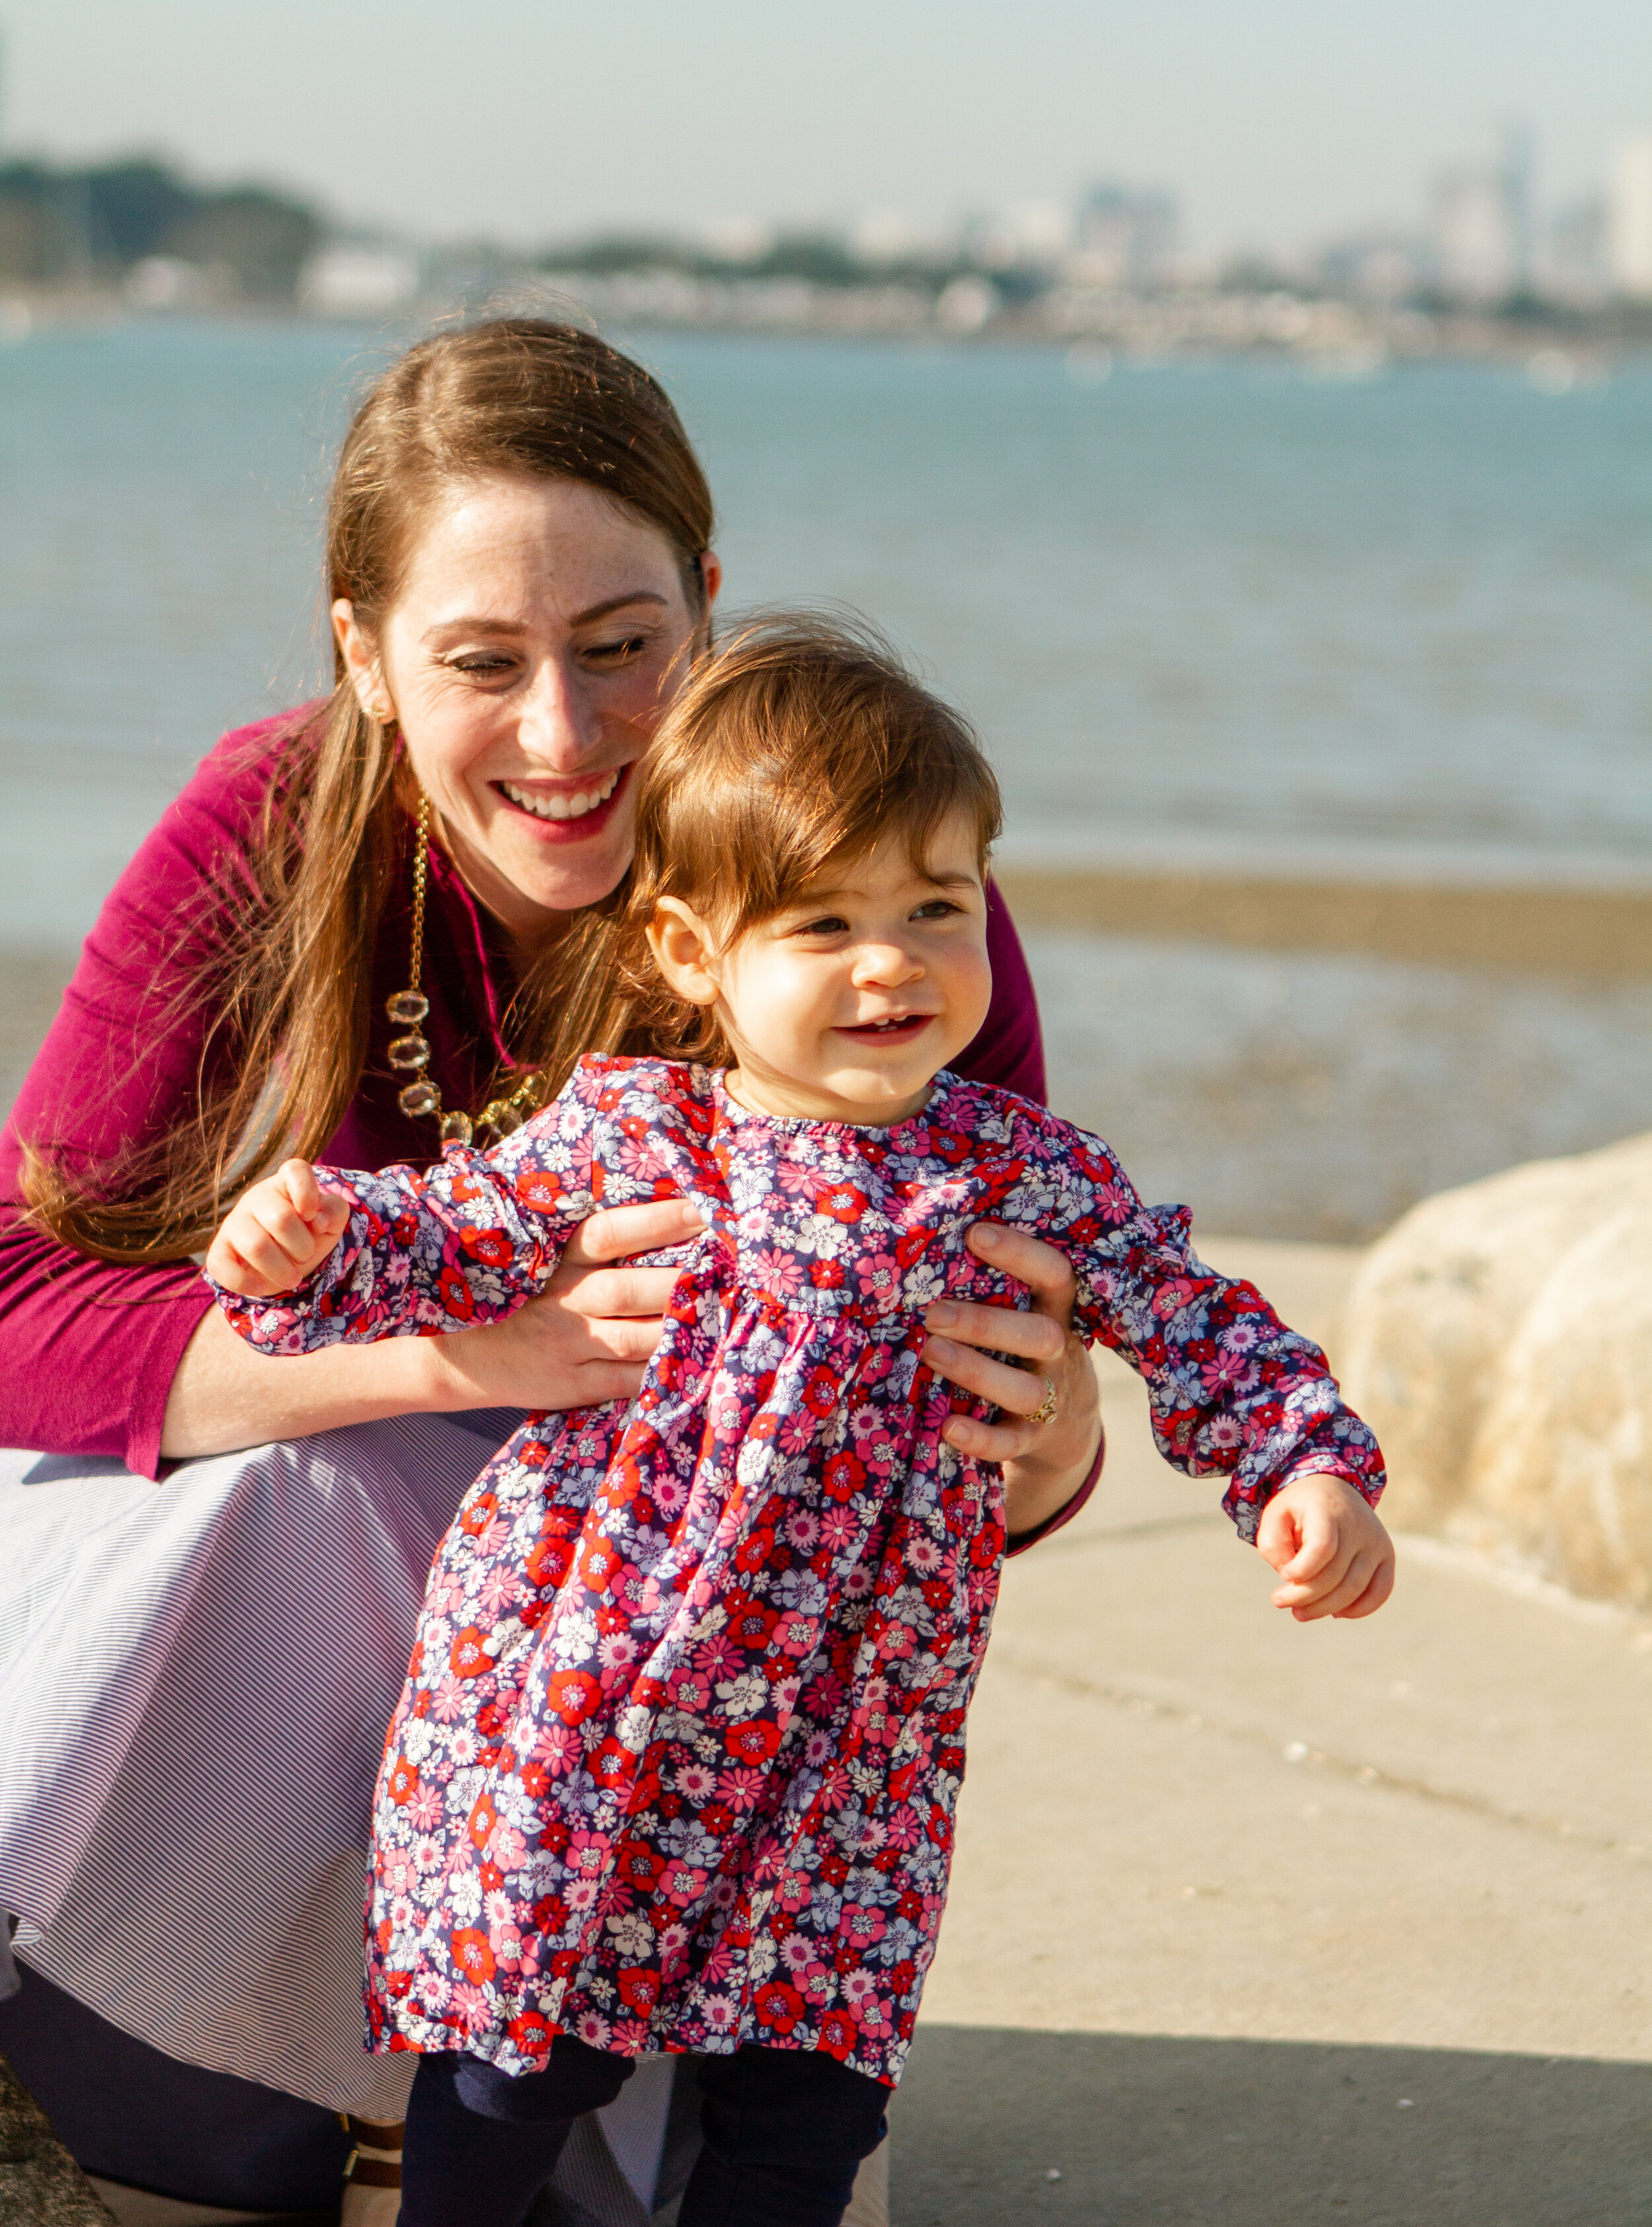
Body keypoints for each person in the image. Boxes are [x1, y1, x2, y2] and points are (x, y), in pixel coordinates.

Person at [0, 321, 1105, 2225]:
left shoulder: (860, 885)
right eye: (479, 661)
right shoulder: (272, 816)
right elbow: (18, 1294)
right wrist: (455, 1352)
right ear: (361, 653)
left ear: (709, 605)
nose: (566, 736)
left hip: (678, 1670)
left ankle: (434, 2087)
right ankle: (171, 2060)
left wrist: (1056, 1432)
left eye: (621, 645)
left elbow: (969, 1456)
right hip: (385, 1500)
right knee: (246, 1509)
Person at [204, 615, 1393, 2227]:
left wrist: (1303, 1465)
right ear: (694, 955)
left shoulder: (1023, 1170)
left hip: (851, 1754)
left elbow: (1201, 1324)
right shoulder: (633, 1131)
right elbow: (447, 1231)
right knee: (507, 2071)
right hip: (583, 1707)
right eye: (822, 922)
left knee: (807, 2103)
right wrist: (317, 1240)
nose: (889, 962)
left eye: (931, 909)